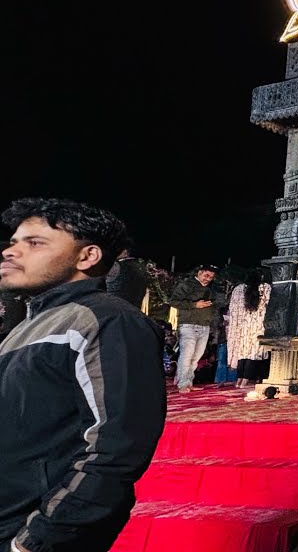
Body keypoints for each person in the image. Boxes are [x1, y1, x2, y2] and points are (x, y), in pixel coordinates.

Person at [0, 198, 165, 552]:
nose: (11, 252)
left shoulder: (108, 320)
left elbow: (114, 451)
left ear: (87, 256)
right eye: (13, 241)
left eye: (35, 243)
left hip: (30, 532)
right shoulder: (25, 326)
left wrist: (35, 541)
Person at [169, 264, 219, 393]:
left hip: (204, 325)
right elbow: (173, 301)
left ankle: (189, 381)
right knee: (186, 355)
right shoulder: (187, 284)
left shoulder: (211, 289)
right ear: (199, 272)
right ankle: (183, 383)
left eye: (211, 277)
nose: (207, 279)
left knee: (196, 357)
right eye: (206, 275)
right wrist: (194, 305)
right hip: (188, 324)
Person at [227, 268, 271, 388]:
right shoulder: (265, 288)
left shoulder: (238, 289)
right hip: (258, 325)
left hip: (241, 326)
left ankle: (239, 380)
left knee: (242, 353)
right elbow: (269, 304)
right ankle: (246, 380)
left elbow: (232, 309)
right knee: (253, 353)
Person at [104, 244, 148, 309]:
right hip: (133, 310)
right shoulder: (141, 268)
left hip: (112, 308)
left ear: (125, 252)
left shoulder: (115, 265)